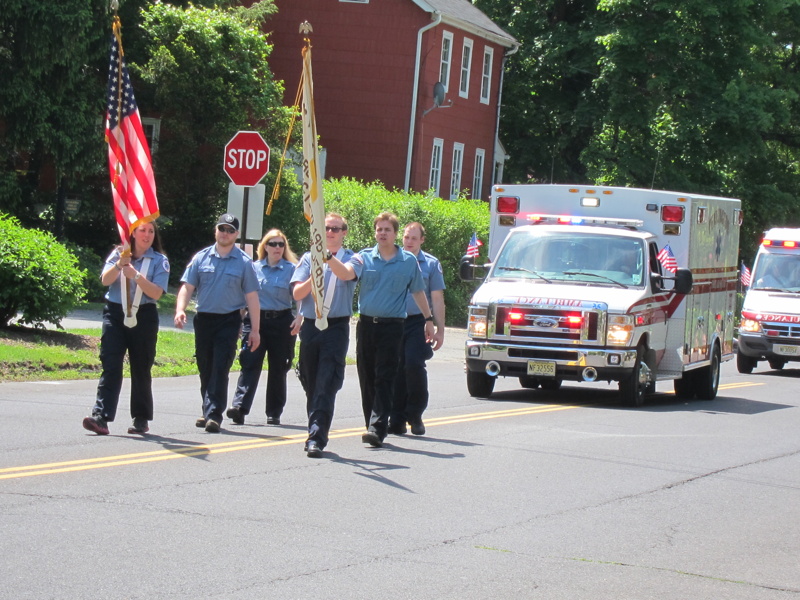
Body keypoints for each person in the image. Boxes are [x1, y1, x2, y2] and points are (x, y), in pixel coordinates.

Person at [174, 213, 261, 433]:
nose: (225, 233)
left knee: (220, 365)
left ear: (236, 234)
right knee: (205, 365)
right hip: (204, 319)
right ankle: (207, 409)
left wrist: (256, 330)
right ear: (216, 230)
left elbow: (252, 297)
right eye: (222, 228)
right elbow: (187, 286)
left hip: (229, 320)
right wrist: (180, 310)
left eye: (230, 230)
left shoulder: (244, 262)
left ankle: (214, 415)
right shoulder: (201, 258)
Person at [83, 220, 170, 435]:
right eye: (142, 230)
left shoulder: (160, 260)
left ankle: (141, 418)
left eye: (151, 231)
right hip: (115, 312)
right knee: (111, 364)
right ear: (133, 233)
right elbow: (105, 280)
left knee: (141, 367)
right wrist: (119, 264)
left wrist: (137, 276)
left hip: (144, 315)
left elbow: (157, 293)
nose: (147, 235)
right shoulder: (119, 253)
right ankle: (101, 416)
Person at [357, 212, 435, 449]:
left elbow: (418, 292)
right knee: (367, 377)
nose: (382, 233)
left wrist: (428, 319)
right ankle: (371, 422)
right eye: (379, 229)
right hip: (366, 325)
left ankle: (378, 427)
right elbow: (345, 275)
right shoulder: (363, 258)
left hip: (393, 326)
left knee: (385, 377)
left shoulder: (408, 261)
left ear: (394, 234)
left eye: (387, 230)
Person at [291, 213, 363, 458]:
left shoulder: (354, 258)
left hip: (336, 327)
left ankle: (317, 437)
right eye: (326, 228)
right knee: (311, 381)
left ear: (344, 232)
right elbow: (298, 294)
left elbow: (346, 275)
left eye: (335, 228)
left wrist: (328, 258)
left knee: (325, 382)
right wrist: (316, 272)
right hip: (311, 326)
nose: (330, 232)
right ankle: (315, 424)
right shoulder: (308, 258)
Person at [227, 230, 302, 426]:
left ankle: (274, 412)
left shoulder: (292, 269)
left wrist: (299, 317)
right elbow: (245, 299)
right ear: (265, 246)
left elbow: (299, 296)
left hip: (281, 321)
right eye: (273, 244)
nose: (277, 248)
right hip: (255, 322)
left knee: (278, 367)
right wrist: (238, 322)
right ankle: (239, 407)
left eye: (281, 244)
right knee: (249, 363)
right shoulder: (253, 268)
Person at [390, 222, 445, 436]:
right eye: (406, 237)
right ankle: (396, 417)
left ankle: (415, 413)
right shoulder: (392, 260)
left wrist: (439, 329)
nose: (409, 242)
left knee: (413, 364)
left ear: (422, 240)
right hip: (393, 321)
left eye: (414, 238)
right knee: (394, 367)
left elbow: (437, 298)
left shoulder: (430, 264)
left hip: (420, 322)